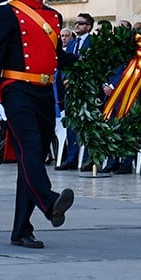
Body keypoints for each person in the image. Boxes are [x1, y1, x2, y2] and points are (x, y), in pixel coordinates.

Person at [0, 0, 75, 249]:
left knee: (32, 159)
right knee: (31, 149)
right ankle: (49, 202)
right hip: (16, 90)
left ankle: (21, 229)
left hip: (45, 92)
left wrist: (87, 62)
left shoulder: (54, 16)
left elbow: (56, 56)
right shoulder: (6, 13)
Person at [57, 12, 94, 171]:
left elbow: (92, 66)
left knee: (87, 124)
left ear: (89, 27)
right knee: (72, 125)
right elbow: (65, 62)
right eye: (76, 23)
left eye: (81, 23)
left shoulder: (93, 43)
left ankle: (88, 159)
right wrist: (66, 78)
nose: (77, 25)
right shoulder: (71, 44)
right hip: (70, 89)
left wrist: (77, 80)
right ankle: (72, 158)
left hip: (85, 88)